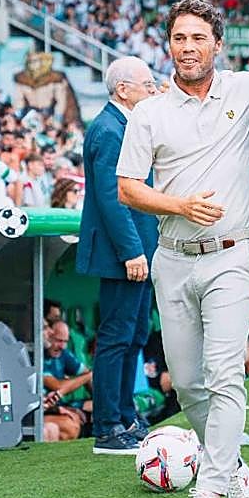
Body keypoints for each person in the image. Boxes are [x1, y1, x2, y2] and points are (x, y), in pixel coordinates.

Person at [117, 0, 249, 498]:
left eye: (198, 37)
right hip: (173, 258)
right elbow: (127, 187)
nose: (188, 47)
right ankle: (235, 468)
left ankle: (208, 495)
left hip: (233, 254)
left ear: (218, 45)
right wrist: (179, 205)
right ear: (168, 44)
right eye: (179, 37)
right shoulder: (148, 112)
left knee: (225, 373)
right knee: (186, 384)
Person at [77, 56, 159, 455]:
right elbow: (113, 198)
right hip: (122, 253)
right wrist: (132, 251)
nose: (154, 89)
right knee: (116, 337)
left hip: (136, 250)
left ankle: (125, 415)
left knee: (134, 334)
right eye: (147, 84)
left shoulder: (122, 126)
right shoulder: (110, 130)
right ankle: (108, 425)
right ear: (123, 89)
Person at [41, 320, 93, 442]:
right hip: (40, 412)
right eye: (59, 340)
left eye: (65, 342)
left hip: (54, 406)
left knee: (96, 407)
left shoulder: (63, 353)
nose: (62, 346)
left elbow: (87, 374)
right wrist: (88, 376)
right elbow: (58, 387)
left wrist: (101, 403)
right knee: (71, 426)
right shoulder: (36, 356)